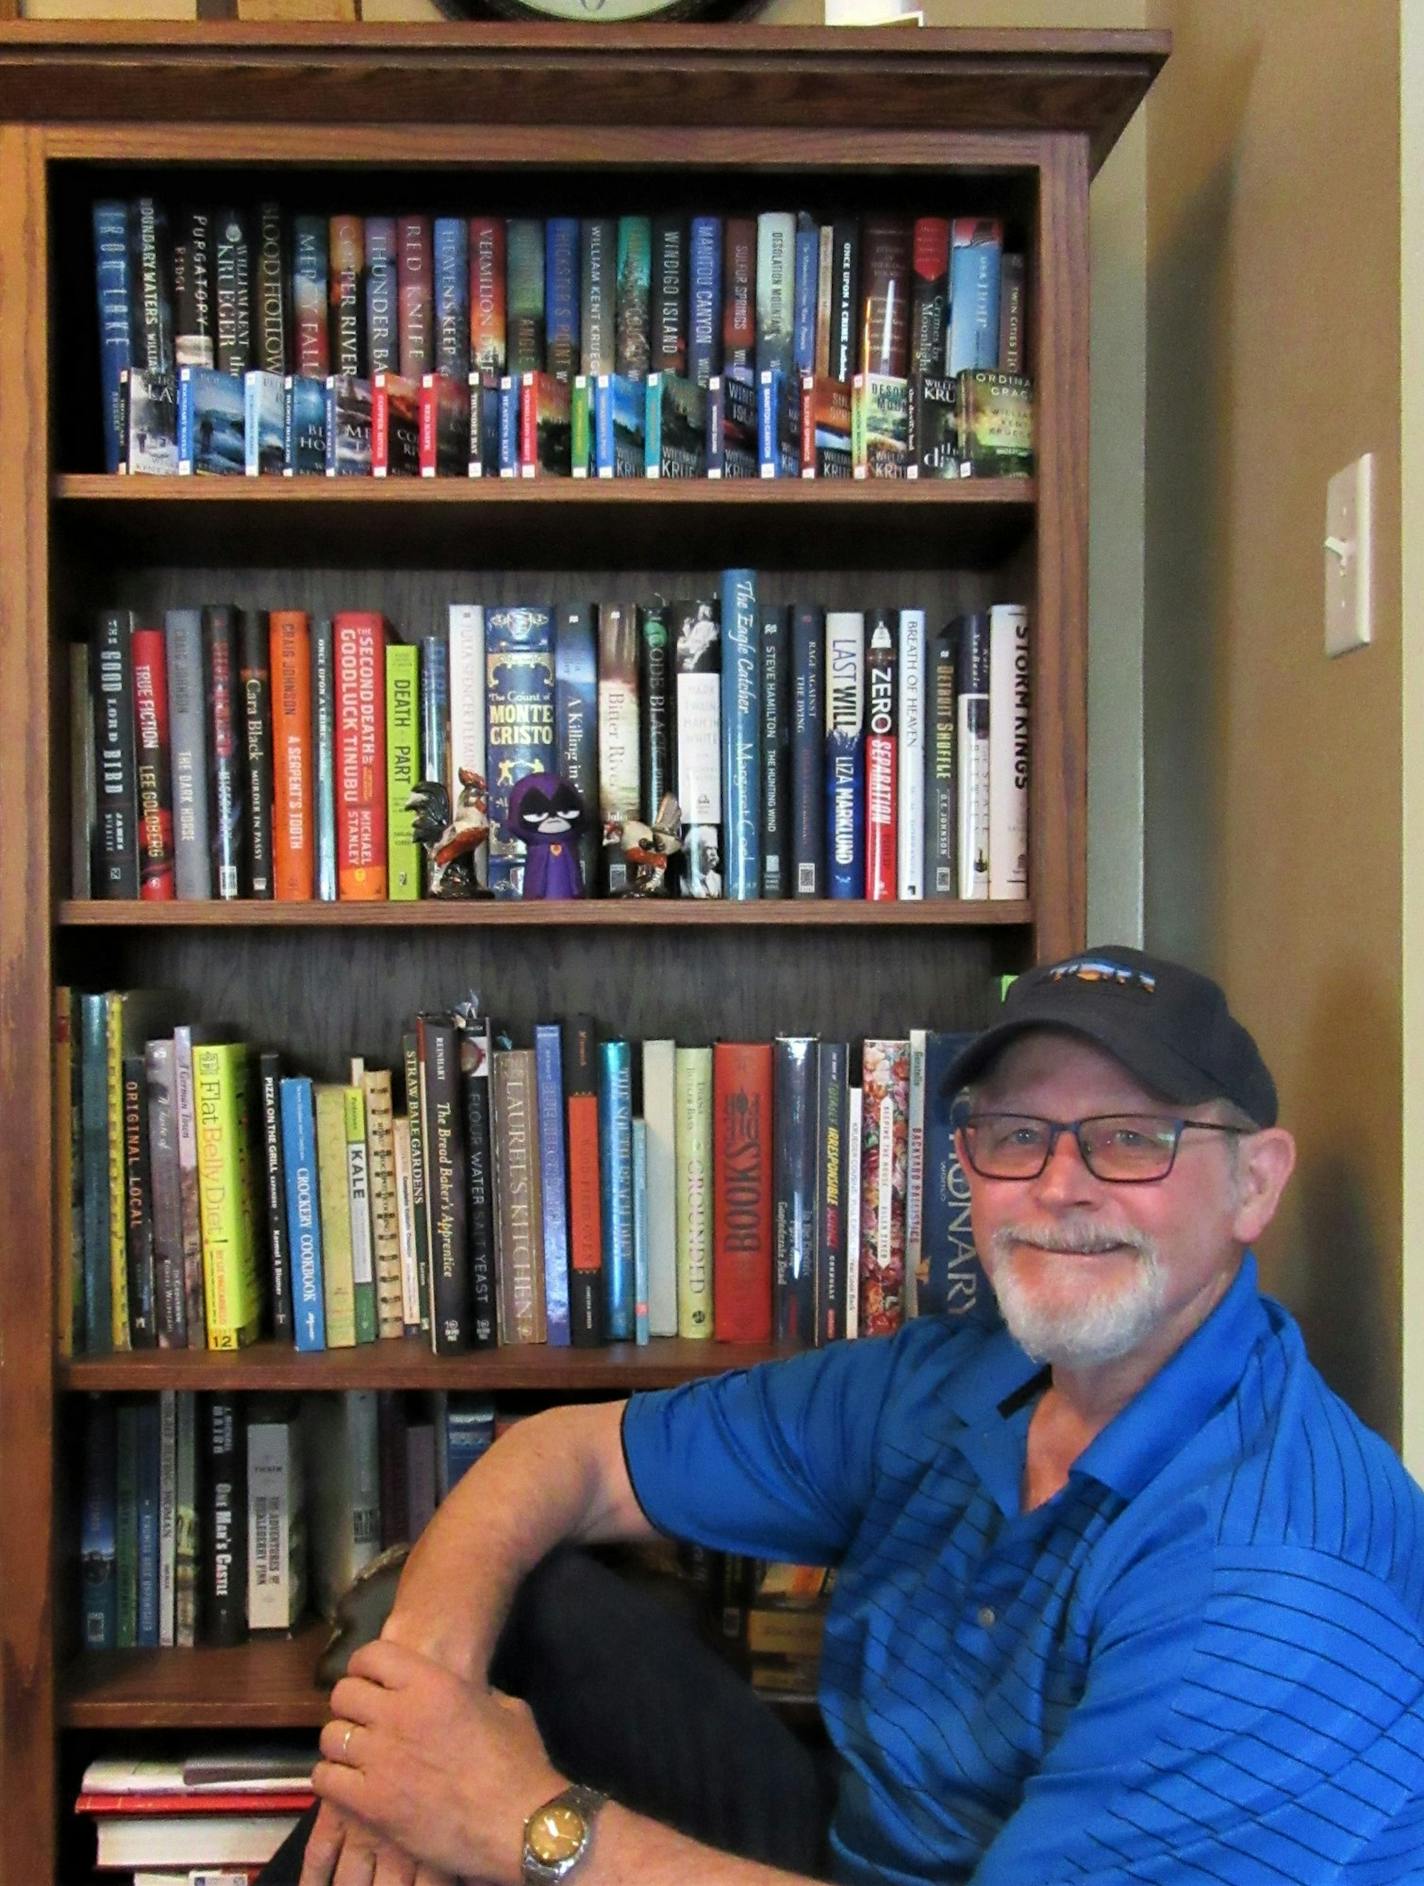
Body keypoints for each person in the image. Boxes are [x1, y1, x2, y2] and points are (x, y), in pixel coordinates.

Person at [274, 945, 1424, 1886]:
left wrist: (522, 1819)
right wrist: (420, 1720)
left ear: (1255, 1182)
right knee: (535, 1604)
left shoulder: (1273, 1580)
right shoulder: (955, 1378)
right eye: (1015, 1134)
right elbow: (563, 1450)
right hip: (847, 1853)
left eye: (1132, 1137)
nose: (1059, 1185)